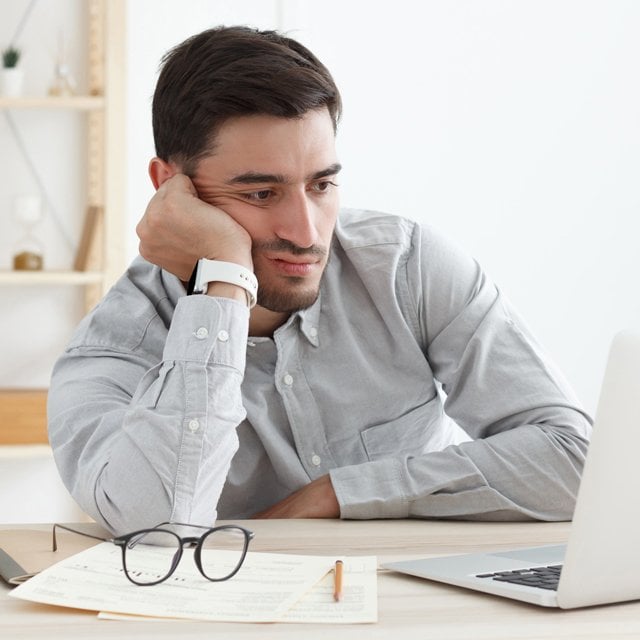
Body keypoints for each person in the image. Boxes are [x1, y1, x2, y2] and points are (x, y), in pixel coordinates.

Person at [48, 26, 591, 535]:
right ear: (170, 187)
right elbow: (158, 529)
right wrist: (225, 280)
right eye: (260, 194)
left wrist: (339, 493)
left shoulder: (406, 267)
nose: (306, 232)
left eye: (321, 185)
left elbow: (577, 459)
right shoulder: (115, 350)